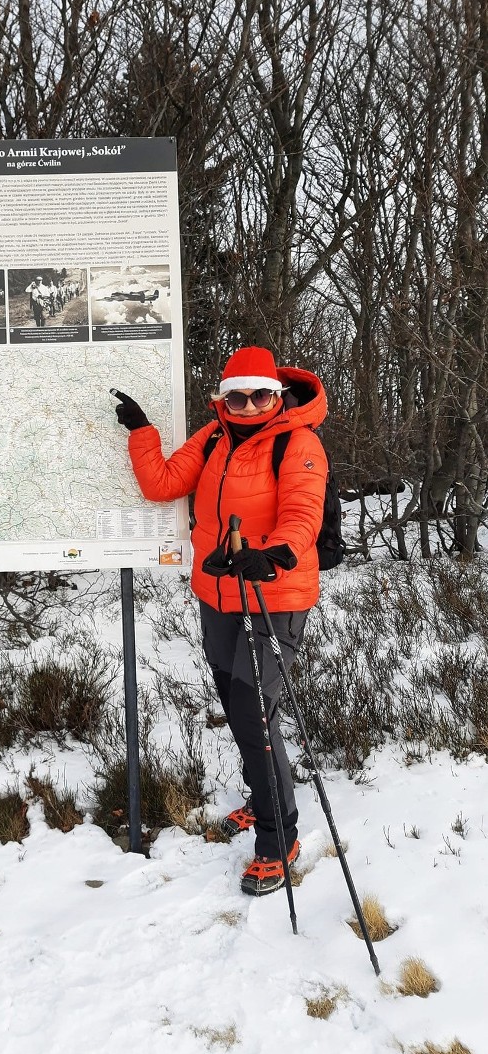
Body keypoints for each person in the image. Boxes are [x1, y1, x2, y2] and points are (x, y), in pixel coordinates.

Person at [113, 346, 327, 896]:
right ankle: (264, 795)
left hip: (272, 594)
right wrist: (142, 431)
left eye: (262, 395)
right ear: (222, 399)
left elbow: (302, 513)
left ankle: (280, 840)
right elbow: (161, 484)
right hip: (217, 593)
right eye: (239, 395)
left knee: (255, 713)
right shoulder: (211, 438)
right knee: (236, 703)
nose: (251, 404)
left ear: (277, 396)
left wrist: (275, 554)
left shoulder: (297, 443)